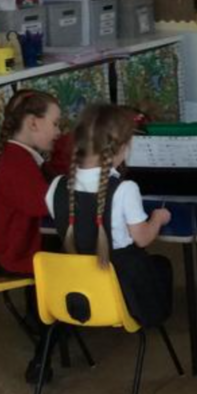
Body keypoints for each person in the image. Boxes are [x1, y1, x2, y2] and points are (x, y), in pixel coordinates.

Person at [46, 104, 174, 334]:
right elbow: (143, 239)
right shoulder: (125, 189)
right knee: (161, 265)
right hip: (123, 293)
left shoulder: (56, 186)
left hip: (76, 296)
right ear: (123, 147)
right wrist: (158, 218)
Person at [0, 89, 69, 383]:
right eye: (55, 124)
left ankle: (51, 318)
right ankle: (51, 334)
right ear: (33, 123)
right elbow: (41, 204)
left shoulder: (22, 156)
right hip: (18, 250)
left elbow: (50, 181)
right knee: (77, 260)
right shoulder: (16, 163)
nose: (58, 132)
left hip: (23, 241)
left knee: (71, 251)